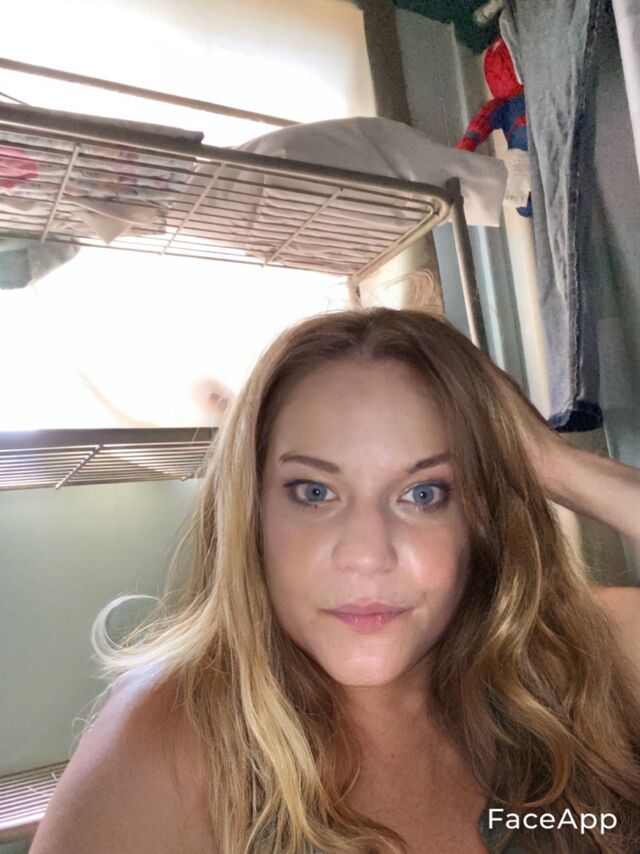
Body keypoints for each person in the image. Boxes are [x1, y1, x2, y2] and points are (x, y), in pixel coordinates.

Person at [30, 308, 640, 854]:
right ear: (251, 516)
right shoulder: (171, 742)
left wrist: (554, 463)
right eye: (315, 492)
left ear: (479, 520)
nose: (366, 556)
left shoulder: (571, 658)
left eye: (424, 493)